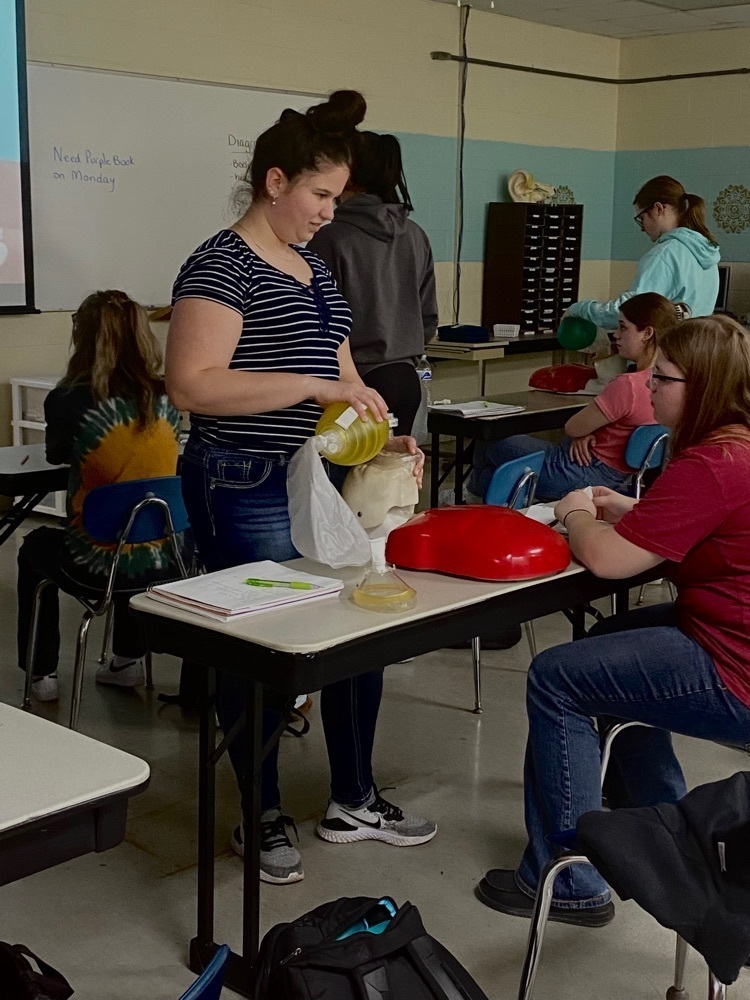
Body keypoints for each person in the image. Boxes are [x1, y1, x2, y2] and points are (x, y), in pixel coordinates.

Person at [165, 89, 436, 886]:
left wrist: (379, 427)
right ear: (274, 182)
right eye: (320, 195)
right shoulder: (219, 264)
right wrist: (307, 387)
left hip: (315, 478)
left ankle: (354, 795)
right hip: (240, 481)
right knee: (265, 650)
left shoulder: (315, 265)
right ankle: (262, 811)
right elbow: (192, 386)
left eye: (336, 197)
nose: (328, 211)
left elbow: (341, 370)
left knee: (357, 632)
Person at [476, 314, 750, 927]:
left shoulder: (712, 461)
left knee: (557, 678)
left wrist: (576, 513)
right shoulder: (736, 445)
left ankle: (571, 875)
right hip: (733, 634)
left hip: (735, 668)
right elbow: (698, 530)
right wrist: (627, 509)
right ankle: (662, 826)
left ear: (702, 387)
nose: (646, 384)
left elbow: (604, 559)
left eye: (663, 377)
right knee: (606, 644)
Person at [17, 290, 182, 703]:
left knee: (33, 548)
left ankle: (43, 675)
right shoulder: (167, 395)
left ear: (83, 338)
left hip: (92, 562)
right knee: (133, 526)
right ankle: (126, 661)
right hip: (165, 555)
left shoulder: (70, 398)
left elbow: (57, 453)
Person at [467, 293, 679, 501]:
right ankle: (479, 497)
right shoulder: (671, 385)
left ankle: (471, 497)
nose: (616, 334)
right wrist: (585, 432)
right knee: (490, 476)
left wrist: (582, 433)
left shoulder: (628, 385)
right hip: (622, 479)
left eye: (623, 327)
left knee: (488, 438)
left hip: (576, 471)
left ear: (647, 333)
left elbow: (573, 427)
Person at [308, 130, 437, 435]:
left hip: (357, 385)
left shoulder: (329, 239)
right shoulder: (416, 235)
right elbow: (429, 320)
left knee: (342, 482)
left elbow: (316, 326)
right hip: (408, 382)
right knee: (393, 478)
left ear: (348, 176)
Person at [567, 176, 720, 329]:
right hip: (698, 347)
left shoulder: (664, 255)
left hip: (668, 349)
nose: (642, 227)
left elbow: (630, 313)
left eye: (641, 218)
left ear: (658, 209)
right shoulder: (705, 252)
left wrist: (579, 309)